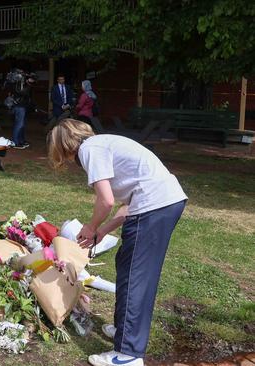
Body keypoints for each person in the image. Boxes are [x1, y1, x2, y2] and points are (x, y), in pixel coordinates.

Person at [47, 119, 187, 366]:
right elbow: (127, 203)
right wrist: (102, 232)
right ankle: (125, 331)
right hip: (160, 203)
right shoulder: (102, 144)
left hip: (154, 207)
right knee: (128, 266)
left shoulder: (89, 149)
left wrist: (90, 228)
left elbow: (106, 200)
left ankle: (128, 354)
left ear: (63, 144)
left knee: (136, 277)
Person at [5, 69, 35, 149]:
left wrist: (28, 83)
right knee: (19, 124)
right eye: (22, 74)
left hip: (23, 105)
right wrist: (28, 83)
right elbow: (22, 92)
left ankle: (21, 141)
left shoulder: (20, 82)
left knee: (22, 125)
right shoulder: (16, 82)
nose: (23, 75)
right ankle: (15, 142)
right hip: (19, 106)